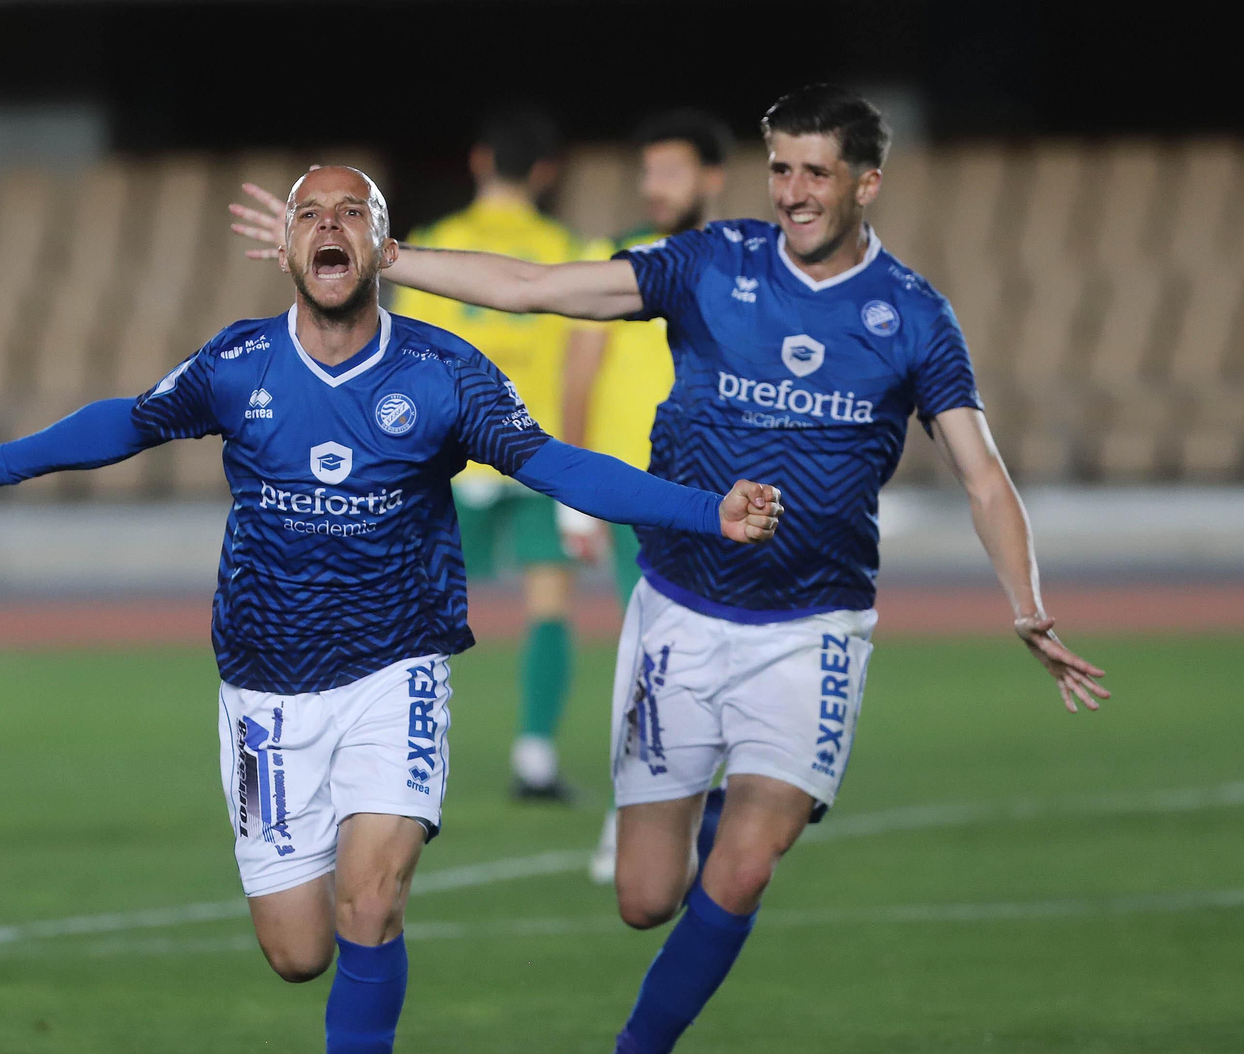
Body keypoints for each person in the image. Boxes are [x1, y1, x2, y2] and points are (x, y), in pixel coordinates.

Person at [228, 88, 1109, 1054]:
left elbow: (982, 475)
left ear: (867, 183)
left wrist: (1026, 604)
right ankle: (725, 804)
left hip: (814, 624)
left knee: (745, 866)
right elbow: (540, 287)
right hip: (680, 609)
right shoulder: (710, 263)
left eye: (817, 173)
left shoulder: (912, 316)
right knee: (645, 898)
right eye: (781, 168)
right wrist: (385, 256)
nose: (794, 191)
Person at [0, 165, 783, 1054]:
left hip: (394, 667)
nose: (329, 225)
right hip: (265, 682)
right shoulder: (238, 362)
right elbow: (128, 422)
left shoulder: (444, 372)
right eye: (309, 214)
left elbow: (559, 465)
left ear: (381, 245)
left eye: (350, 213)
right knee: (298, 952)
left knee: (371, 900)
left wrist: (705, 510)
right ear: (286, 248)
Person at [391, 106, 593, 801]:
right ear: (547, 172)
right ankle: (535, 758)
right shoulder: (569, 248)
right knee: (549, 605)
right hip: (536, 452)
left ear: (479, 160)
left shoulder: (431, 245)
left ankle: (399, 752)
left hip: (450, 457)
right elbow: (580, 371)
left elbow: (406, 360)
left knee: (414, 610)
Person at [556, 108, 733, 882]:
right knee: (657, 661)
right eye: (648, 172)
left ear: (711, 178)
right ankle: (631, 822)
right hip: (636, 493)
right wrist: (570, 496)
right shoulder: (614, 260)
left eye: (671, 171)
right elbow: (578, 374)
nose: (654, 186)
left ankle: (683, 816)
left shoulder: (740, 265)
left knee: (717, 663)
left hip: (721, 495)